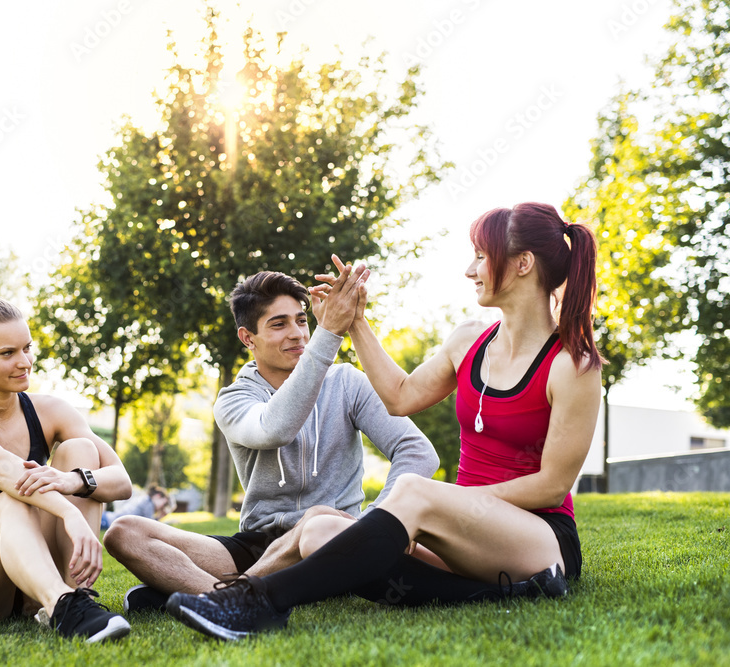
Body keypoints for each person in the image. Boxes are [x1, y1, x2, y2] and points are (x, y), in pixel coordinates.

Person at [168, 202, 603, 640]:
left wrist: (438, 506)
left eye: (481, 256)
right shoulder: (470, 340)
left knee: (413, 491)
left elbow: (551, 485)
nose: (470, 269)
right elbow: (400, 397)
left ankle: (258, 601)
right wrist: (354, 320)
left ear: (523, 263)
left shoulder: (573, 365)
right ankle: (494, 595)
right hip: (460, 534)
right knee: (319, 530)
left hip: (540, 540)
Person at [103, 270, 440, 614]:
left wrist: (374, 523)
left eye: (301, 320)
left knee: (317, 516)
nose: (297, 334)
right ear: (248, 338)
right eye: (279, 324)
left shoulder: (347, 383)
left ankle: (213, 597)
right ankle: (234, 598)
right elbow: (275, 429)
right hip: (257, 546)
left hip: (330, 536)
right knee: (124, 531)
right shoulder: (233, 401)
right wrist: (329, 335)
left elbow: (417, 452)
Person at [0, 297, 134, 642]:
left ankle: (74, 596)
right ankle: (63, 607)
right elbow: (1, 469)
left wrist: (72, 480)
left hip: (27, 582)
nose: (24, 362)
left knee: (81, 450)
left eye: (27, 349)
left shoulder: (50, 410)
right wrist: (70, 514)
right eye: (7, 353)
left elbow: (121, 481)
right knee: (11, 500)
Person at [100, 486, 170, 531]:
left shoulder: (145, 499)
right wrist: (159, 517)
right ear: (158, 496)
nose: (162, 507)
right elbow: (151, 527)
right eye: (164, 504)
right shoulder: (148, 503)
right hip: (107, 522)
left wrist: (159, 518)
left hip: (107, 518)